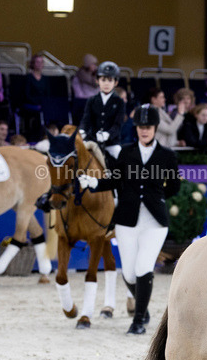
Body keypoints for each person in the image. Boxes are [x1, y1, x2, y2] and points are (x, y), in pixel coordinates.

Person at [77, 105, 179, 334]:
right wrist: (94, 184)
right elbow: (115, 181)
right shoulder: (126, 153)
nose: (144, 131)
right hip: (126, 219)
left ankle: (139, 320)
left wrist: (155, 198)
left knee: (144, 267)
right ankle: (143, 306)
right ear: (137, 129)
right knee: (129, 273)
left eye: (148, 127)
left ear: (154, 128)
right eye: (141, 127)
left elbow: (174, 186)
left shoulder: (167, 155)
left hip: (154, 221)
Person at [78, 62, 126, 164]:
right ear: (97, 81)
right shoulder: (92, 100)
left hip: (112, 143)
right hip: (93, 141)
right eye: (103, 80)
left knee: (122, 163)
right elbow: (86, 119)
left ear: (115, 83)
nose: (106, 83)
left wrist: (108, 134)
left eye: (110, 80)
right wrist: (82, 131)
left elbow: (118, 124)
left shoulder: (119, 102)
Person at [19, 55, 50, 142]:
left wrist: (44, 104)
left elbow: (47, 94)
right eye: (37, 62)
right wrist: (37, 104)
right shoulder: (28, 78)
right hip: (30, 104)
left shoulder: (45, 79)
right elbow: (26, 94)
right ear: (33, 63)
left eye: (41, 62)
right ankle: (32, 138)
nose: (39, 64)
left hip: (43, 104)